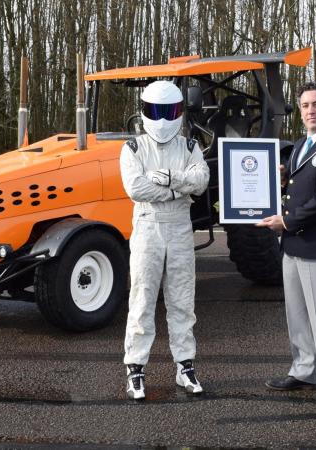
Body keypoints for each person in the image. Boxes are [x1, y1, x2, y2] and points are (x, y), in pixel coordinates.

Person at [257, 81, 316, 414]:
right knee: (297, 316)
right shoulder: (300, 145)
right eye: (305, 106)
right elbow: (297, 188)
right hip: (295, 245)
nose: (311, 111)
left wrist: (284, 222)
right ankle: (303, 370)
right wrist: (282, 180)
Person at [119, 80, 210, 400]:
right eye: (155, 111)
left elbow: (200, 181)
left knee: (182, 300)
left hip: (180, 228)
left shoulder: (189, 146)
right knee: (142, 299)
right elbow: (136, 189)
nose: (161, 118)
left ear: (179, 112)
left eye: (167, 111)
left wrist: (172, 181)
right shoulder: (132, 147)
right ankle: (135, 368)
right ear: (144, 111)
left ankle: (185, 366)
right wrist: (178, 191)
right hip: (147, 227)